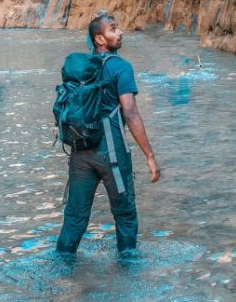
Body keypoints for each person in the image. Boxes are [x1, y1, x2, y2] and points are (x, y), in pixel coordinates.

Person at [56, 13, 161, 255]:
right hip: (111, 154)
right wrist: (150, 156)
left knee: (74, 220)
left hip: (80, 153)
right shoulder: (121, 67)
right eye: (114, 29)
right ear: (99, 38)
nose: (120, 32)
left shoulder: (80, 69)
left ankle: (63, 272)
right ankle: (128, 277)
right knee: (125, 216)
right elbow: (130, 112)